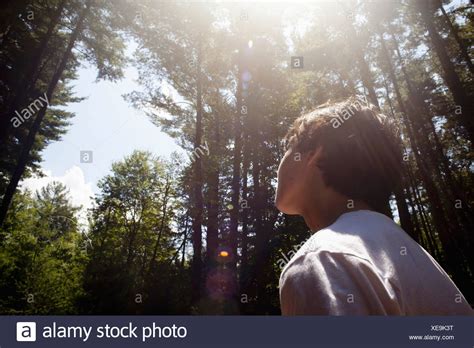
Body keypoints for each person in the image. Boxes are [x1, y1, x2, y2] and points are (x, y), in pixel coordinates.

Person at [275, 97, 473, 315]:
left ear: (316, 153)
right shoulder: (417, 259)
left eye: (289, 146)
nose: (280, 161)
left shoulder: (322, 258)